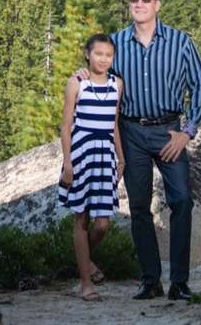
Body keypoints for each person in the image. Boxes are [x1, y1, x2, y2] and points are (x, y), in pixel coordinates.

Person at [109, 0, 201, 302]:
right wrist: (81, 77)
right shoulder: (115, 44)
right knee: (139, 208)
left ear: (158, 4)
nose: (139, 4)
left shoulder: (181, 43)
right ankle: (150, 281)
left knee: (181, 202)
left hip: (169, 133)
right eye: (134, 0)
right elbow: (100, 79)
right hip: (131, 132)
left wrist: (187, 132)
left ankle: (179, 282)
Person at [59, 33, 124, 301]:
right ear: (87, 54)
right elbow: (65, 126)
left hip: (105, 155)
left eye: (108, 55)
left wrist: (121, 158)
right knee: (82, 218)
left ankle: (82, 260)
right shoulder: (76, 83)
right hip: (81, 153)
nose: (103, 59)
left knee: (102, 223)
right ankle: (86, 283)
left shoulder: (117, 84)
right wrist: (67, 162)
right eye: (98, 54)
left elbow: (114, 124)